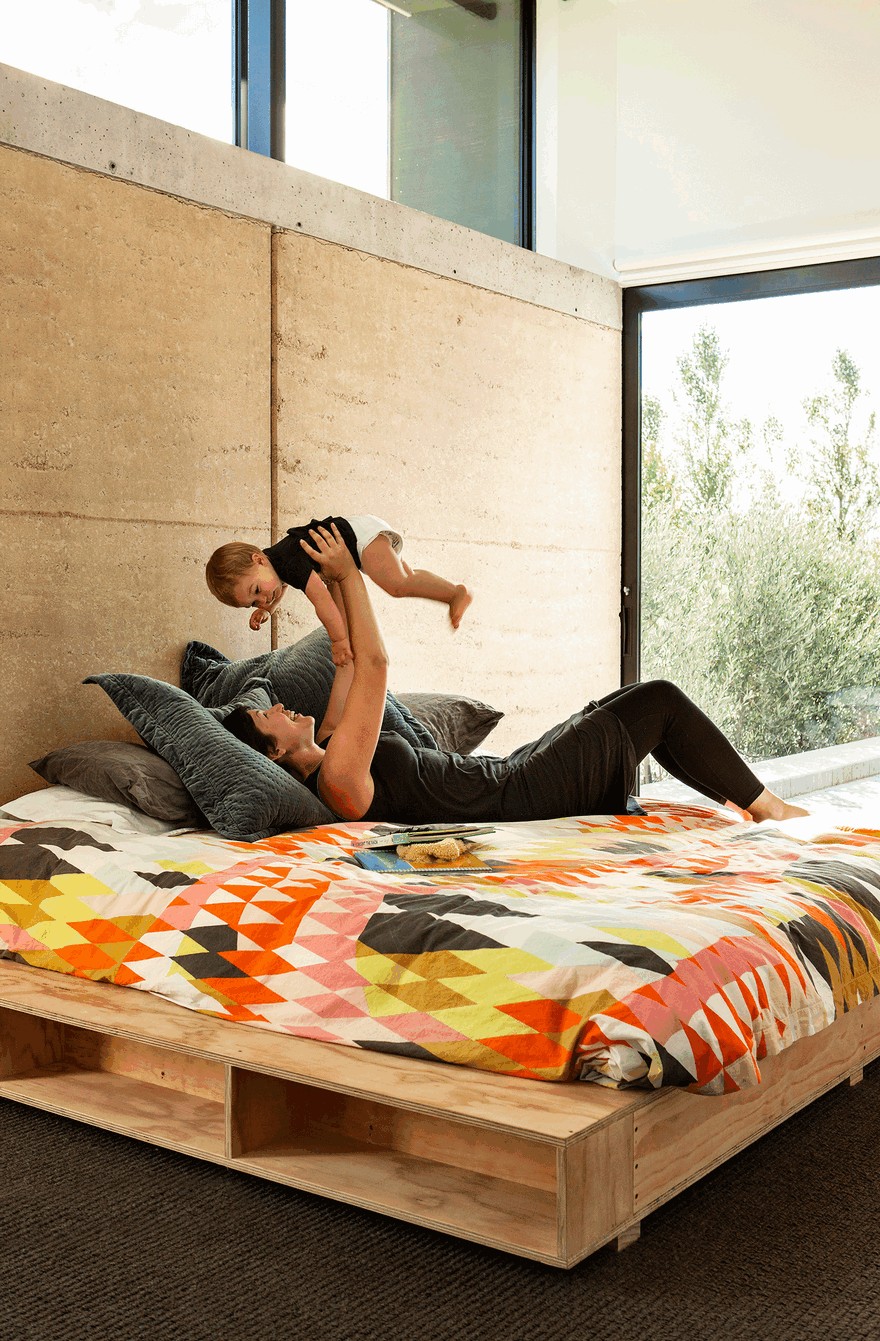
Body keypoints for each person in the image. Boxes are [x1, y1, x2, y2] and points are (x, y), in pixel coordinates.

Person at [224, 522, 808, 826]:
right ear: (273, 752)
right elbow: (376, 666)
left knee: (630, 701)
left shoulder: (330, 743)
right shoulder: (340, 785)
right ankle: (766, 808)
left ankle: (742, 803)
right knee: (659, 700)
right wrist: (350, 577)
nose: (277, 705)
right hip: (519, 798)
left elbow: (350, 659)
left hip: (509, 773)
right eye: (265, 714)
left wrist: (327, 610)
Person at [205, 513, 472, 666]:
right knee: (407, 577)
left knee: (397, 586)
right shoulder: (276, 565)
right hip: (361, 537)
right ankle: (452, 592)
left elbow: (323, 604)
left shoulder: (288, 561)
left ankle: (454, 593)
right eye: (253, 603)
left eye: (255, 591)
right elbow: (280, 586)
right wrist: (269, 609)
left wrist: (339, 641)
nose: (262, 598)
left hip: (359, 538)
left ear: (258, 559)